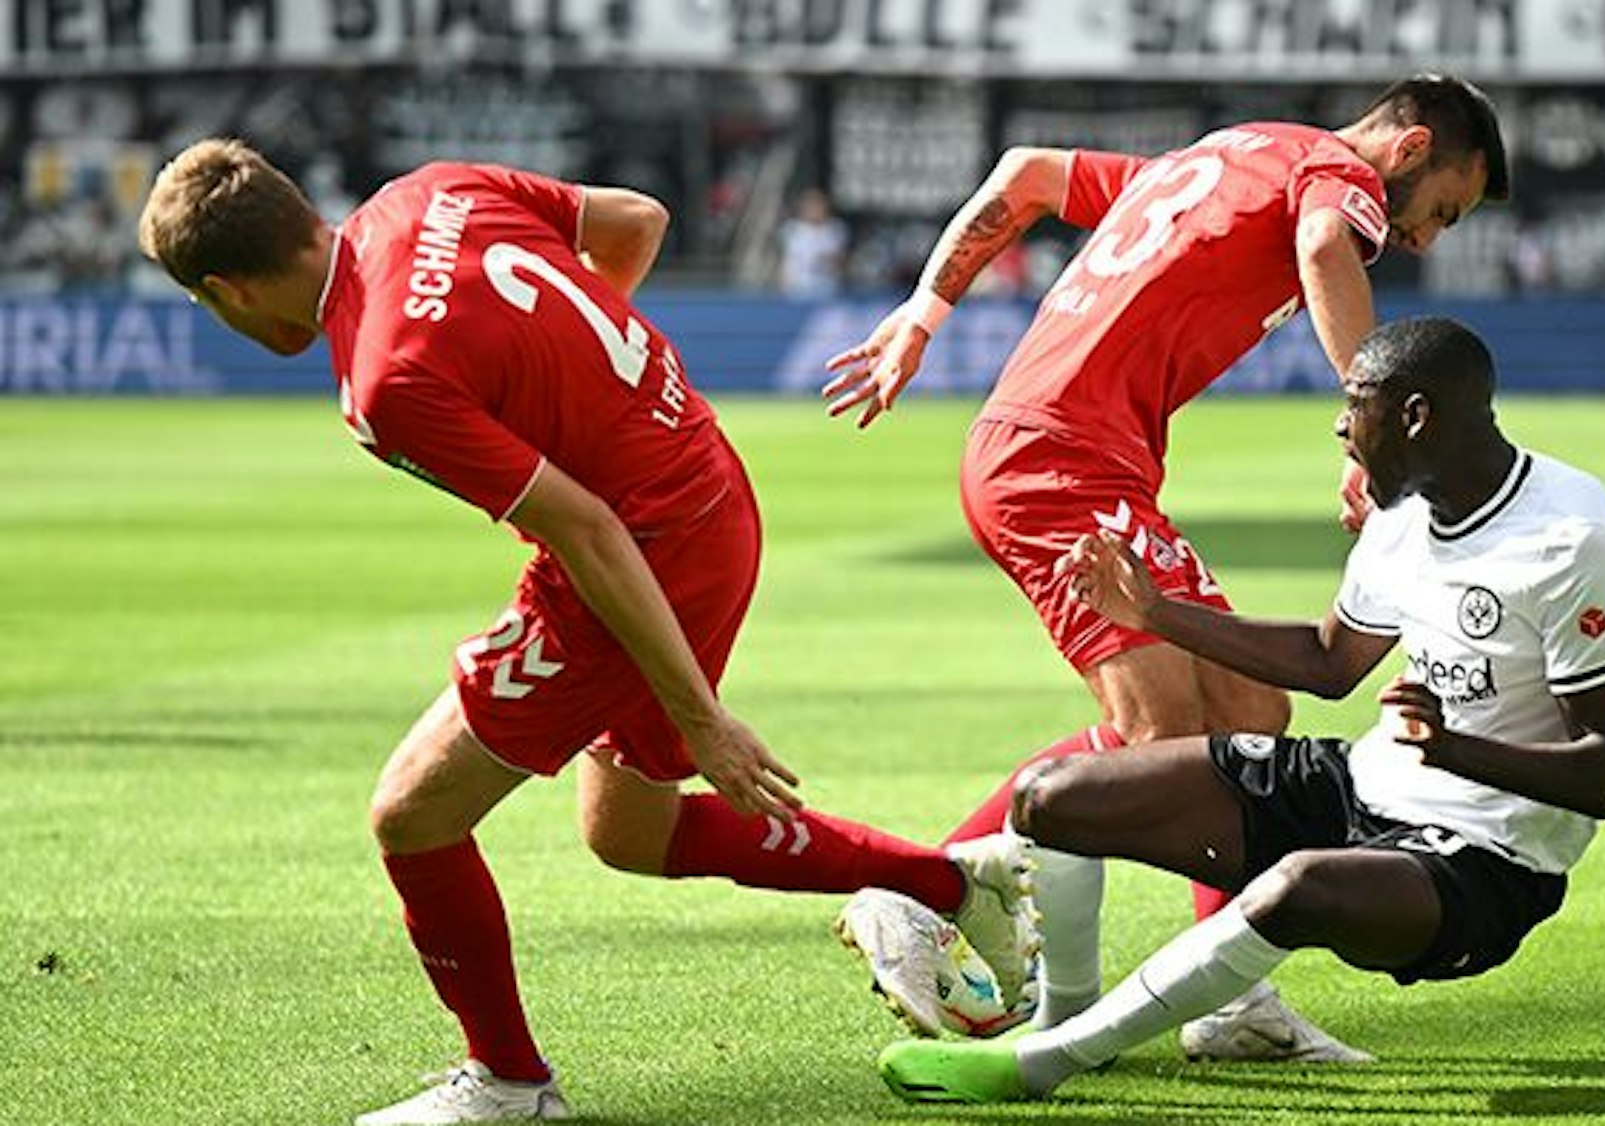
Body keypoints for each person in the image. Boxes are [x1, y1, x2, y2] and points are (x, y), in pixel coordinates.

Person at [135, 139, 1036, 1126]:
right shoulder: (428, 192)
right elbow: (637, 219)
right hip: (706, 483)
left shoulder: (383, 383)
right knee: (626, 829)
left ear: (225, 290)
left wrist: (702, 720)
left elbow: (588, 528)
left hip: (640, 548)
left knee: (413, 814)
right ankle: (949, 881)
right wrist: (593, 390)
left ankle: (511, 1084)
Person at [822, 74, 1509, 1060]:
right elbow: (1323, 245)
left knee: (1249, 717)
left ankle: (1228, 996)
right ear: (1404, 151)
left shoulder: (1220, 160)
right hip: (1058, 461)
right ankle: (922, 892)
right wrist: (1374, 440)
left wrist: (924, 312)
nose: (1426, 238)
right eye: (1440, 209)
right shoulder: (1330, 177)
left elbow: (1025, 177)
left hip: (1081, 460)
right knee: (1154, 731)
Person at [874, 314, 1605, 1103]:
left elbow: (1603, 775)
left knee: (1294, 887)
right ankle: (1061, 1014)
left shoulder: (1570, 539)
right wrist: (1156, 614)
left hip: (1486, 861)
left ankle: (1043, 1064)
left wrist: (1455, 751)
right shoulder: (1404, 515)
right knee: (1051, 795)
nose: (1342, 427)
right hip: (1365, 784)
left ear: (1415, 417)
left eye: (1357, 405)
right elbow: (1328, 659)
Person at [777, 187, 849, 297]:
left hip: (827, 288)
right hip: (798, 290)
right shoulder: (791, 229)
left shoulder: (836, 229)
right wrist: (783, 286)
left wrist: (827, 261)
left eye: (818, 205)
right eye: (810, 205)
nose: (814, 209)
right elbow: (786, 261)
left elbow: (841, 260)